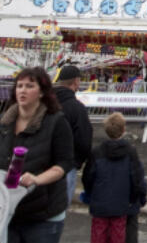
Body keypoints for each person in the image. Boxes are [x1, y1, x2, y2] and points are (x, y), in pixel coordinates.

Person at [0, 66, 75, 243]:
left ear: (41, 92)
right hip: (7, 210)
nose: (23, 90)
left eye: (30, 86)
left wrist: (38, 179)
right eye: (19, 86)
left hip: (43, 215)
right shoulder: (3, 122)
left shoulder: (56, 122)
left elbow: (65, 163)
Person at [82, 112, 147, 243]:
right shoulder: (130, 151)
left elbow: (88, 176)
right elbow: (136, 177)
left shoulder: (97, 151)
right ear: (124, 130)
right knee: (118, 235)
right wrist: (138, 197)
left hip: (100, 203)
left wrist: (90, 194)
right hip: (121, 203)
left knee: (98, 234)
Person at [53, 65, 92, 204]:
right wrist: (77, 161)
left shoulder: (46, 103)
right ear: (76, 81)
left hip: (41, 164)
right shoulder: (77, 108)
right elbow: (84, 141)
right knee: (59, 210)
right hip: (67, 165)